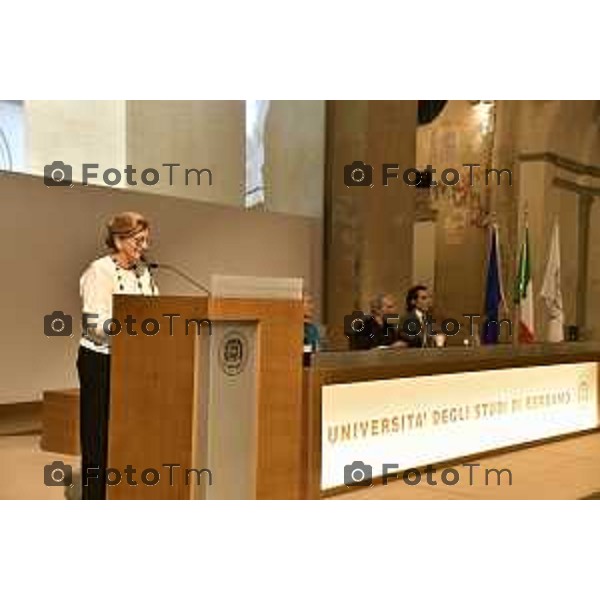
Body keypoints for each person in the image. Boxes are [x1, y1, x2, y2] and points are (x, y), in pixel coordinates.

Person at [77, 211, 158, 500]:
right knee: (98, 434)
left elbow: (155, 311)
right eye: (139, 240)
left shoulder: (144, 272)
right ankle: (96, 497)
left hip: (135, 362)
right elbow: (94, 325)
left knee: (130, 429)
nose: (144, 247)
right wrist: (133, 330)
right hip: (101, 359)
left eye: (146, 240)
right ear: (119, 239)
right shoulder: (100, 271)